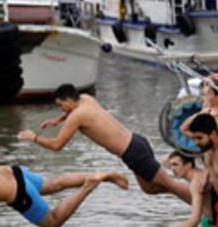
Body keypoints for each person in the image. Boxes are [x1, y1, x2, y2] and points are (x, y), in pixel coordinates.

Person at [20, 84, 190, 203]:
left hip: (133, 152)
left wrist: (34, 138)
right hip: (136, 143)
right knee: (149, 189)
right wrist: (57, 120)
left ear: (67, 100)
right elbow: (74, 113)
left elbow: (57, 145)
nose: (61, 109)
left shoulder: (76, 117)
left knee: (171, 185)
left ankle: (204, 205)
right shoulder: (86, 99)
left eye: (60, 105)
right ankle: (194, 194)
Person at [163, 151, 215, 227]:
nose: (173, 169)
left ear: (189, 165)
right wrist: (184, 149)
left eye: (176, 165)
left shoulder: (196, 183)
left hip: (214, 223)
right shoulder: (201, 172)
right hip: (207, 220)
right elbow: (164, 162)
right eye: (172, 165)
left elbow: (196, 217)